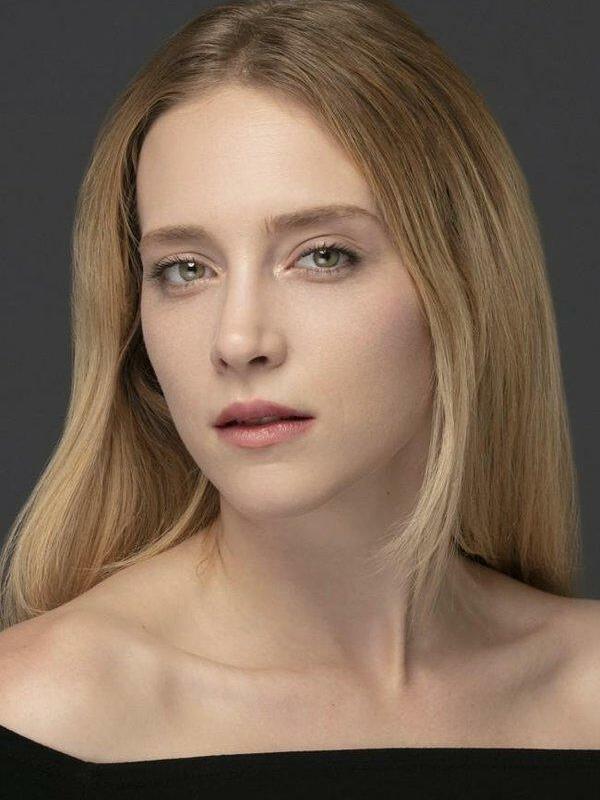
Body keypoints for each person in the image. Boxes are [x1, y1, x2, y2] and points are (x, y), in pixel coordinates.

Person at [0, 0, 598, 796]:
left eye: (321, 255)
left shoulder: (587, 690)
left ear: (467, 281)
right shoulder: (35, 713)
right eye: (185, 269)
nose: (238, 339)